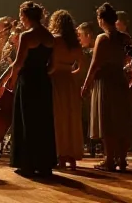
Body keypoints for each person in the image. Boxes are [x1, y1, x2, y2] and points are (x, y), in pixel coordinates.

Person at [81, 3, 132, 171]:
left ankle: (109, 159)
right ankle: (123, 160)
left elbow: (95, 64)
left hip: (105, 81)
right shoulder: (125, 38)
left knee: (107, 120)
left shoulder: (102, 38)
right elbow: (128, 59)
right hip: (120, 78)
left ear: (101, 19)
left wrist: (86, 84)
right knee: (121, 119)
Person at [8, 1, 56, 177]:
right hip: (43, 81)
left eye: (21, 16)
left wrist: (11, 81)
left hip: (28, 81)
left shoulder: (26, 36)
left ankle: (27, 164)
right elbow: (53, 66)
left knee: (27, 120)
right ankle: (44, 164)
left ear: (26, 17)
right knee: (43, 122)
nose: (20, 19)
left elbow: (18, 63)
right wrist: (41, 73)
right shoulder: (50, 36)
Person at [48, 10, 84, 169]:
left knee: (57, 119)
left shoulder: (54, 40)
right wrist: (69, 72)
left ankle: (59, 155)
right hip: (69, 82)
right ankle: (71, 157)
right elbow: (83, 68)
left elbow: (51, 64)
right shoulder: (75, 44)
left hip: (54, 80)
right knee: (71, 118)